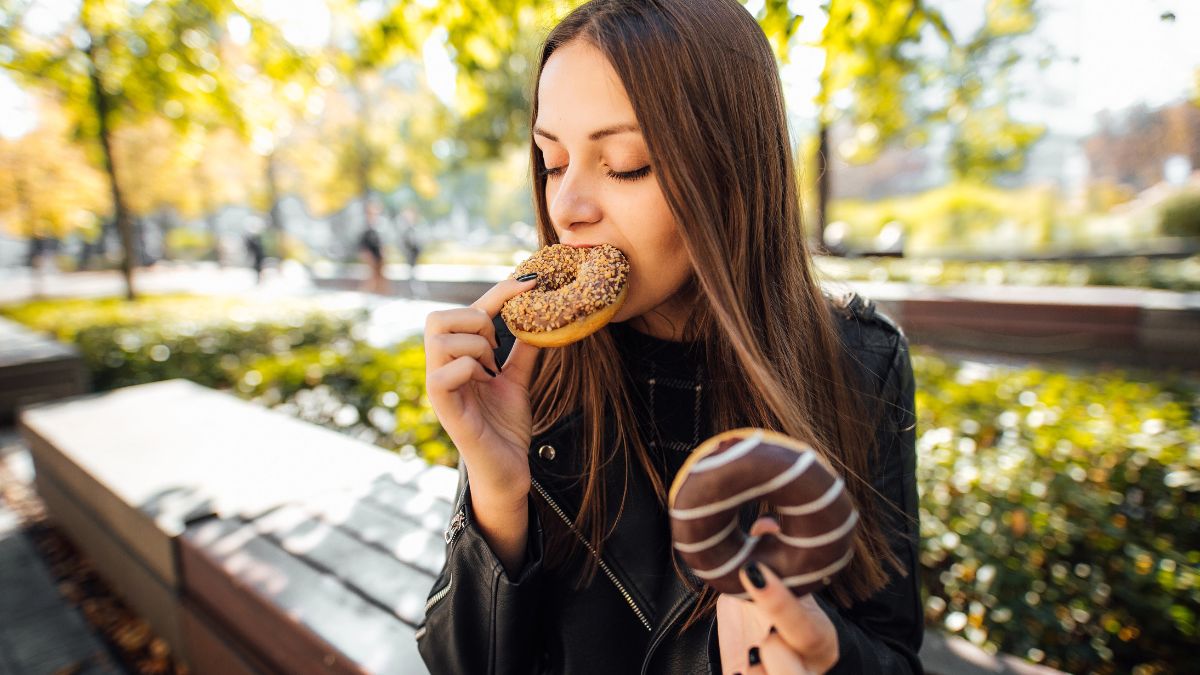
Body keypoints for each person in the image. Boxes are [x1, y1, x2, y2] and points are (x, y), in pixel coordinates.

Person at [418, 1, 922, 673]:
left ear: (731, 170)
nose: (567, 208)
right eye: (552, 160)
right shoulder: (523, 362)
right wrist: (496, 493)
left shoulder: (859, 363)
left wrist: (822, 651)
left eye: (625, 164)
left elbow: (893, 651)